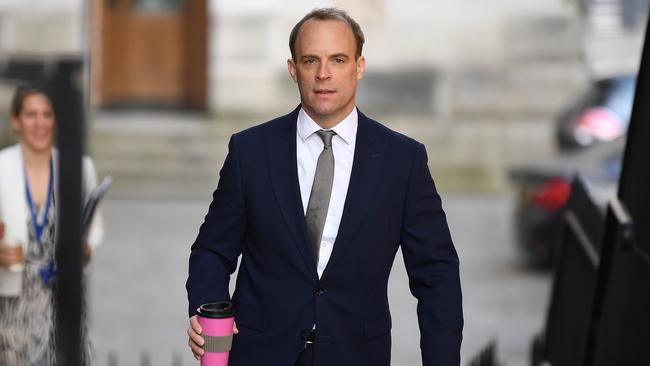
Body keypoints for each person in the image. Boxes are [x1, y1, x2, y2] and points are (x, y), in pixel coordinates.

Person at [186, 7, 463, 366]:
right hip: (260, 353)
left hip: (356, 354)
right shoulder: (250, 152)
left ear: (359, 67)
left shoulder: (402, 161)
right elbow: (212, 250)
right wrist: (205, 313)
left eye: (338, 59)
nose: (323, 74)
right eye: (310, 60)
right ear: (293, 69)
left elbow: (437, 273)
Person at [0, 85, 103, 365]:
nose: (40, 123)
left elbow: (93, 226)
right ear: (15, 120)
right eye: (31, 114)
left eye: (47, 114)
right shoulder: (2, 167)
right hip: (13, 301)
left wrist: (87, 247)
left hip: (64, 295)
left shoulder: (78, 167)